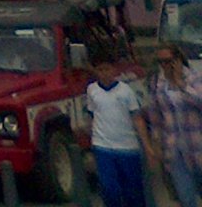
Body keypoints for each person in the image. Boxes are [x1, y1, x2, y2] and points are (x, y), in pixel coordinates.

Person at [143, 42, 202, 206]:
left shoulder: (194, 78)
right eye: (161, 62)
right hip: (174, 148)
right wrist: (155, 144)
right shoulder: (158, 83)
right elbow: (155, 116)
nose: (165, 65)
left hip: (197, 145)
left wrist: (180, 83)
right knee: (186, 197)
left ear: (177, 59)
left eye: (168, 61)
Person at [85, 56, 148, 207]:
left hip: (127, 147)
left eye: (107, 69)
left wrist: (147, 145)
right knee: (109, 188)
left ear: (114, 70)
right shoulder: (92, 90)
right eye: (100, 70)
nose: (104, 73)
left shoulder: (125, 91)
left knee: (133, 191)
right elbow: (92, 114)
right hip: (103, 147)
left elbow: (137, 118)